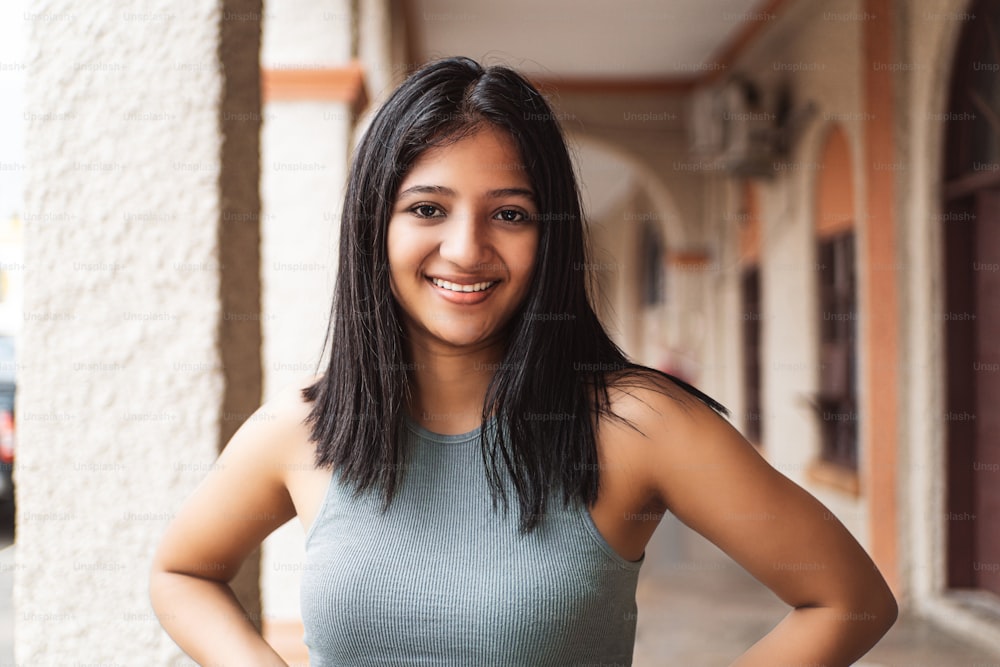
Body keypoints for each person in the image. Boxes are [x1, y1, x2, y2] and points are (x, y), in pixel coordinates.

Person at [149, 56, 897, 666]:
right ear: (375, 224)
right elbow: (181, 572)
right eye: (427, 208)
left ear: (553, 236)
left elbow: (849, 598)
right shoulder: (305, 427)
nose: (467, 248)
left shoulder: (636, 423)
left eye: (509, 213)